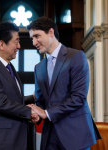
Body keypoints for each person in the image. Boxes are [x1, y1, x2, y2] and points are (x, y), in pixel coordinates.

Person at [26, 17, 101, 150]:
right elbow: (41, 102)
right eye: (32, 38)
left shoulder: (76, 56)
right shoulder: (38, 67)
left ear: (50, 32)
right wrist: (36, 115)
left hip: (75, 134)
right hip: (49, 137)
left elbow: (79, 97)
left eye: (37, 36)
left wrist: (46, 113)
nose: (34, 42)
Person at [0, 21, 39, 150]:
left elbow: (11, 98)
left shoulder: (9, 67)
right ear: (1, 44)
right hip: (0, 141)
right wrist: (29, 111)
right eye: (16, 42)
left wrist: (31, 98)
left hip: (17, 138)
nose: (19, 46)